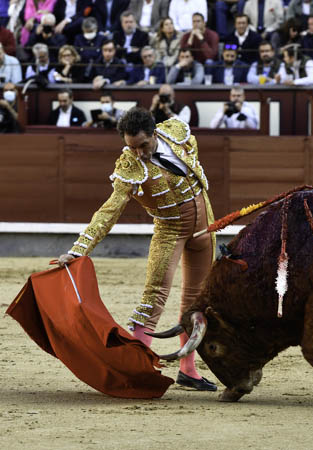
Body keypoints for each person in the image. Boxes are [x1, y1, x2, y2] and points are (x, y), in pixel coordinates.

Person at [57, 107, 218, 392]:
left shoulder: (177, 133)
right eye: (133, 147)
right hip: (169, 232)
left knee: (198, 299)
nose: (140, 153)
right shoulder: (129, 165)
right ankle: (139, 371)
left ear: (155, 133)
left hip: (205, 228)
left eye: (143, 145)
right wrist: (79, 250)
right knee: (153, 298)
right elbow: (110, 210)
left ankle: (188, 370)